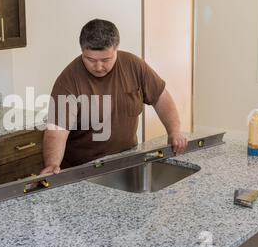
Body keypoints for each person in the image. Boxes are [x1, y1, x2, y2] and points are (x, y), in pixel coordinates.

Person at [41, 19, 187, 175]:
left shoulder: (133, 65)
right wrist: (52, 164)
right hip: (84, 169)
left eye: (105, 60)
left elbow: (160, 97)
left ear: (116, 49)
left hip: (127, 161)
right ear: (82, 51)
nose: (98, 67)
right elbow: (57, 130)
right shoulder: (68, 80)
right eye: (90, 59)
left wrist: (174, 131)